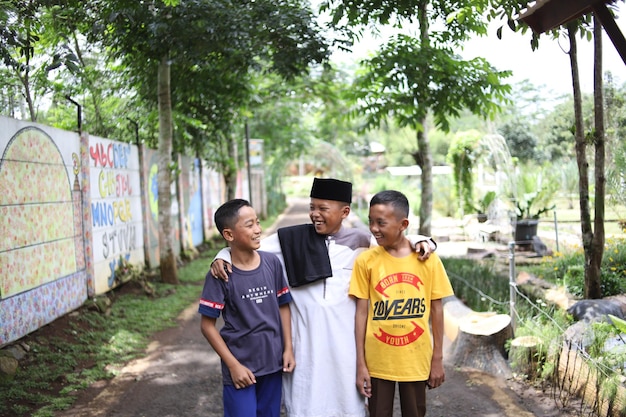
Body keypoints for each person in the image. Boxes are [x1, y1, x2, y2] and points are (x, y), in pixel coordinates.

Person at [210, 178, 436, 417]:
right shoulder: (289, 240)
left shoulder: (362, 242)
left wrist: (420, 239)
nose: (314, 214)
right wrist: (222, 253)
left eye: (323, 209)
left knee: (349, 406)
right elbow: (249, 246)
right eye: (312, 207)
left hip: (346, 350)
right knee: (304, 405)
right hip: (305, 348)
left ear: (345, 212)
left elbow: (395, 242)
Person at [349, 190, 454, 417]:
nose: (374, 228)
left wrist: (437, 358)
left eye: (381, 223)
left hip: (415, 359)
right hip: (378, 360)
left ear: (403, 223)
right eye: (370, 221)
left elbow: (437, 309)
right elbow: (360, 314)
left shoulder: (427, 260)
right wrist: (361, 364)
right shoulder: (366, 261)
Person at [198, 199, 295, 417]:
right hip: (241, 367)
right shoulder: (220, 274)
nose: (258, 230)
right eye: (249, 225)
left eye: (258, 223)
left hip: (273, 363)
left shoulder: (272, 263)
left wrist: (288, 348)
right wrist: (233, 365)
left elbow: (283, 306)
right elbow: (207, 326)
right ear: (229, 235)